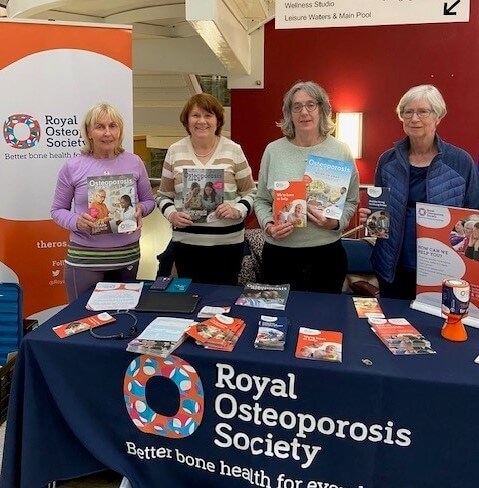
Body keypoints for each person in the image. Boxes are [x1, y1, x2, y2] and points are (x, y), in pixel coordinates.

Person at [359, 85, 479, 299]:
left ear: (438, 116)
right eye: (407, 111)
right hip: (393, 266)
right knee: (393, 326)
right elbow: (380, 213)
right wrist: (371, 219)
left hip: (443, 269)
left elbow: (474, 215)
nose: (414, 118)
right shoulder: (388, 161)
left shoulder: (461, 162)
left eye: (423, 111)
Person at [254, 81, 360, 293]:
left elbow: (351, 200)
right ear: (289, 113)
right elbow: (262, 200)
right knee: (278, 322)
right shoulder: (273, 151)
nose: (304, 112)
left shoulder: (341, 151)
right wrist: (268, 226)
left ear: (322, 109)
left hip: (326, 256)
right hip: (279, 256)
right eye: (297, 106)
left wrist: (335, 223)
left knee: (323, 320)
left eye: (311, 105)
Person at [51, 102, 156, 302]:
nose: (107, 133)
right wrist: (76, 221)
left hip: (127, 257)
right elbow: (57, 210)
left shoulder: (134, 162)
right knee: (82, 321)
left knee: (122, 319)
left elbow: (149, 201)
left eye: (113, 126)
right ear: (89, 132)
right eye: (100, 127)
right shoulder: (73, 166)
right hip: (85, 259)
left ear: (120, 131)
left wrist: (140, 209)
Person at [156, 93, 256, 285]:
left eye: (208, 115)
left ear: (218, 120)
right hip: (186, 245)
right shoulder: (174, 151)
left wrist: (238, 210)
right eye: (195, 115)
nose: (202, 121)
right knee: (190, 298)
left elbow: (251, 193)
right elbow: (162, 196)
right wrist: (172, 215)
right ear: (186, 120)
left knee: (223, 302)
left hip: (228, 245)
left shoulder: (233, 150)